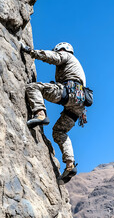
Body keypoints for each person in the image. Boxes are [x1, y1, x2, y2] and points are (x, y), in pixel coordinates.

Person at [21, 42, 91, 183]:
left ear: (61, 49)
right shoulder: (76, 65)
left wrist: (31, 52)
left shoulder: (66, 55)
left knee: (33, 87)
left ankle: (40, 114)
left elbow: (54, 58)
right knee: (59, 132)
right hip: (79, 104)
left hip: (69, 92)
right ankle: (70, 164)